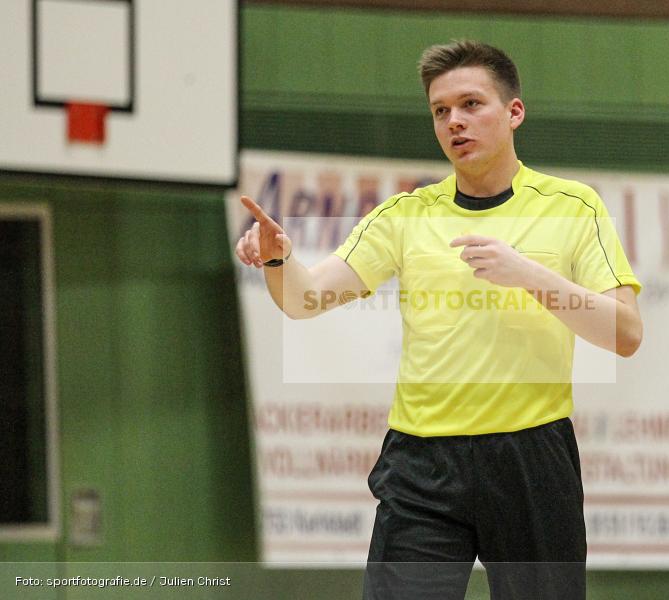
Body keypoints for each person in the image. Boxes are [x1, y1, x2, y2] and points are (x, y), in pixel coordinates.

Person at [236, 40, 642, 600]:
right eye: (441, 111)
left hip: (530, 457)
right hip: (422, 462)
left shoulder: (574, 206)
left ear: (514, 112)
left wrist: (528, 275)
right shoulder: (405, 215)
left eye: (472, 104)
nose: (455, 121)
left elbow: (625, 334)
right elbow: (305, 300)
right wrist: (280, 257)